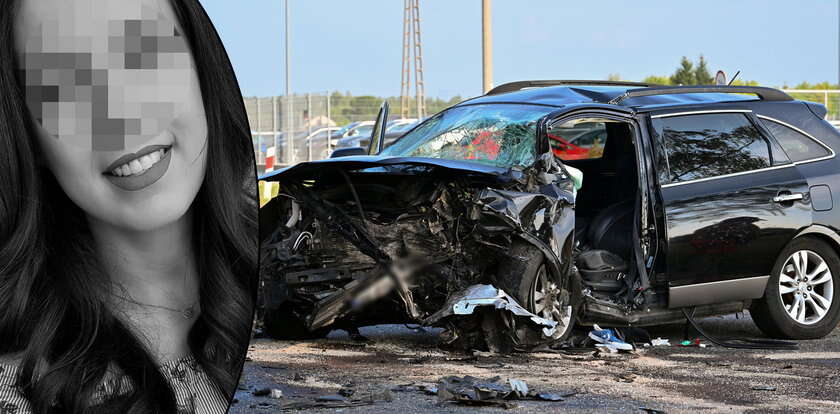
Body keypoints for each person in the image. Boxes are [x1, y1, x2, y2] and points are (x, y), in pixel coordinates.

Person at [0, 0, 257, 412]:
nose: (121, 117)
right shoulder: (18, 394)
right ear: (30, 137)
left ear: (202, 64)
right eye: (66, 86)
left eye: (143, 54)